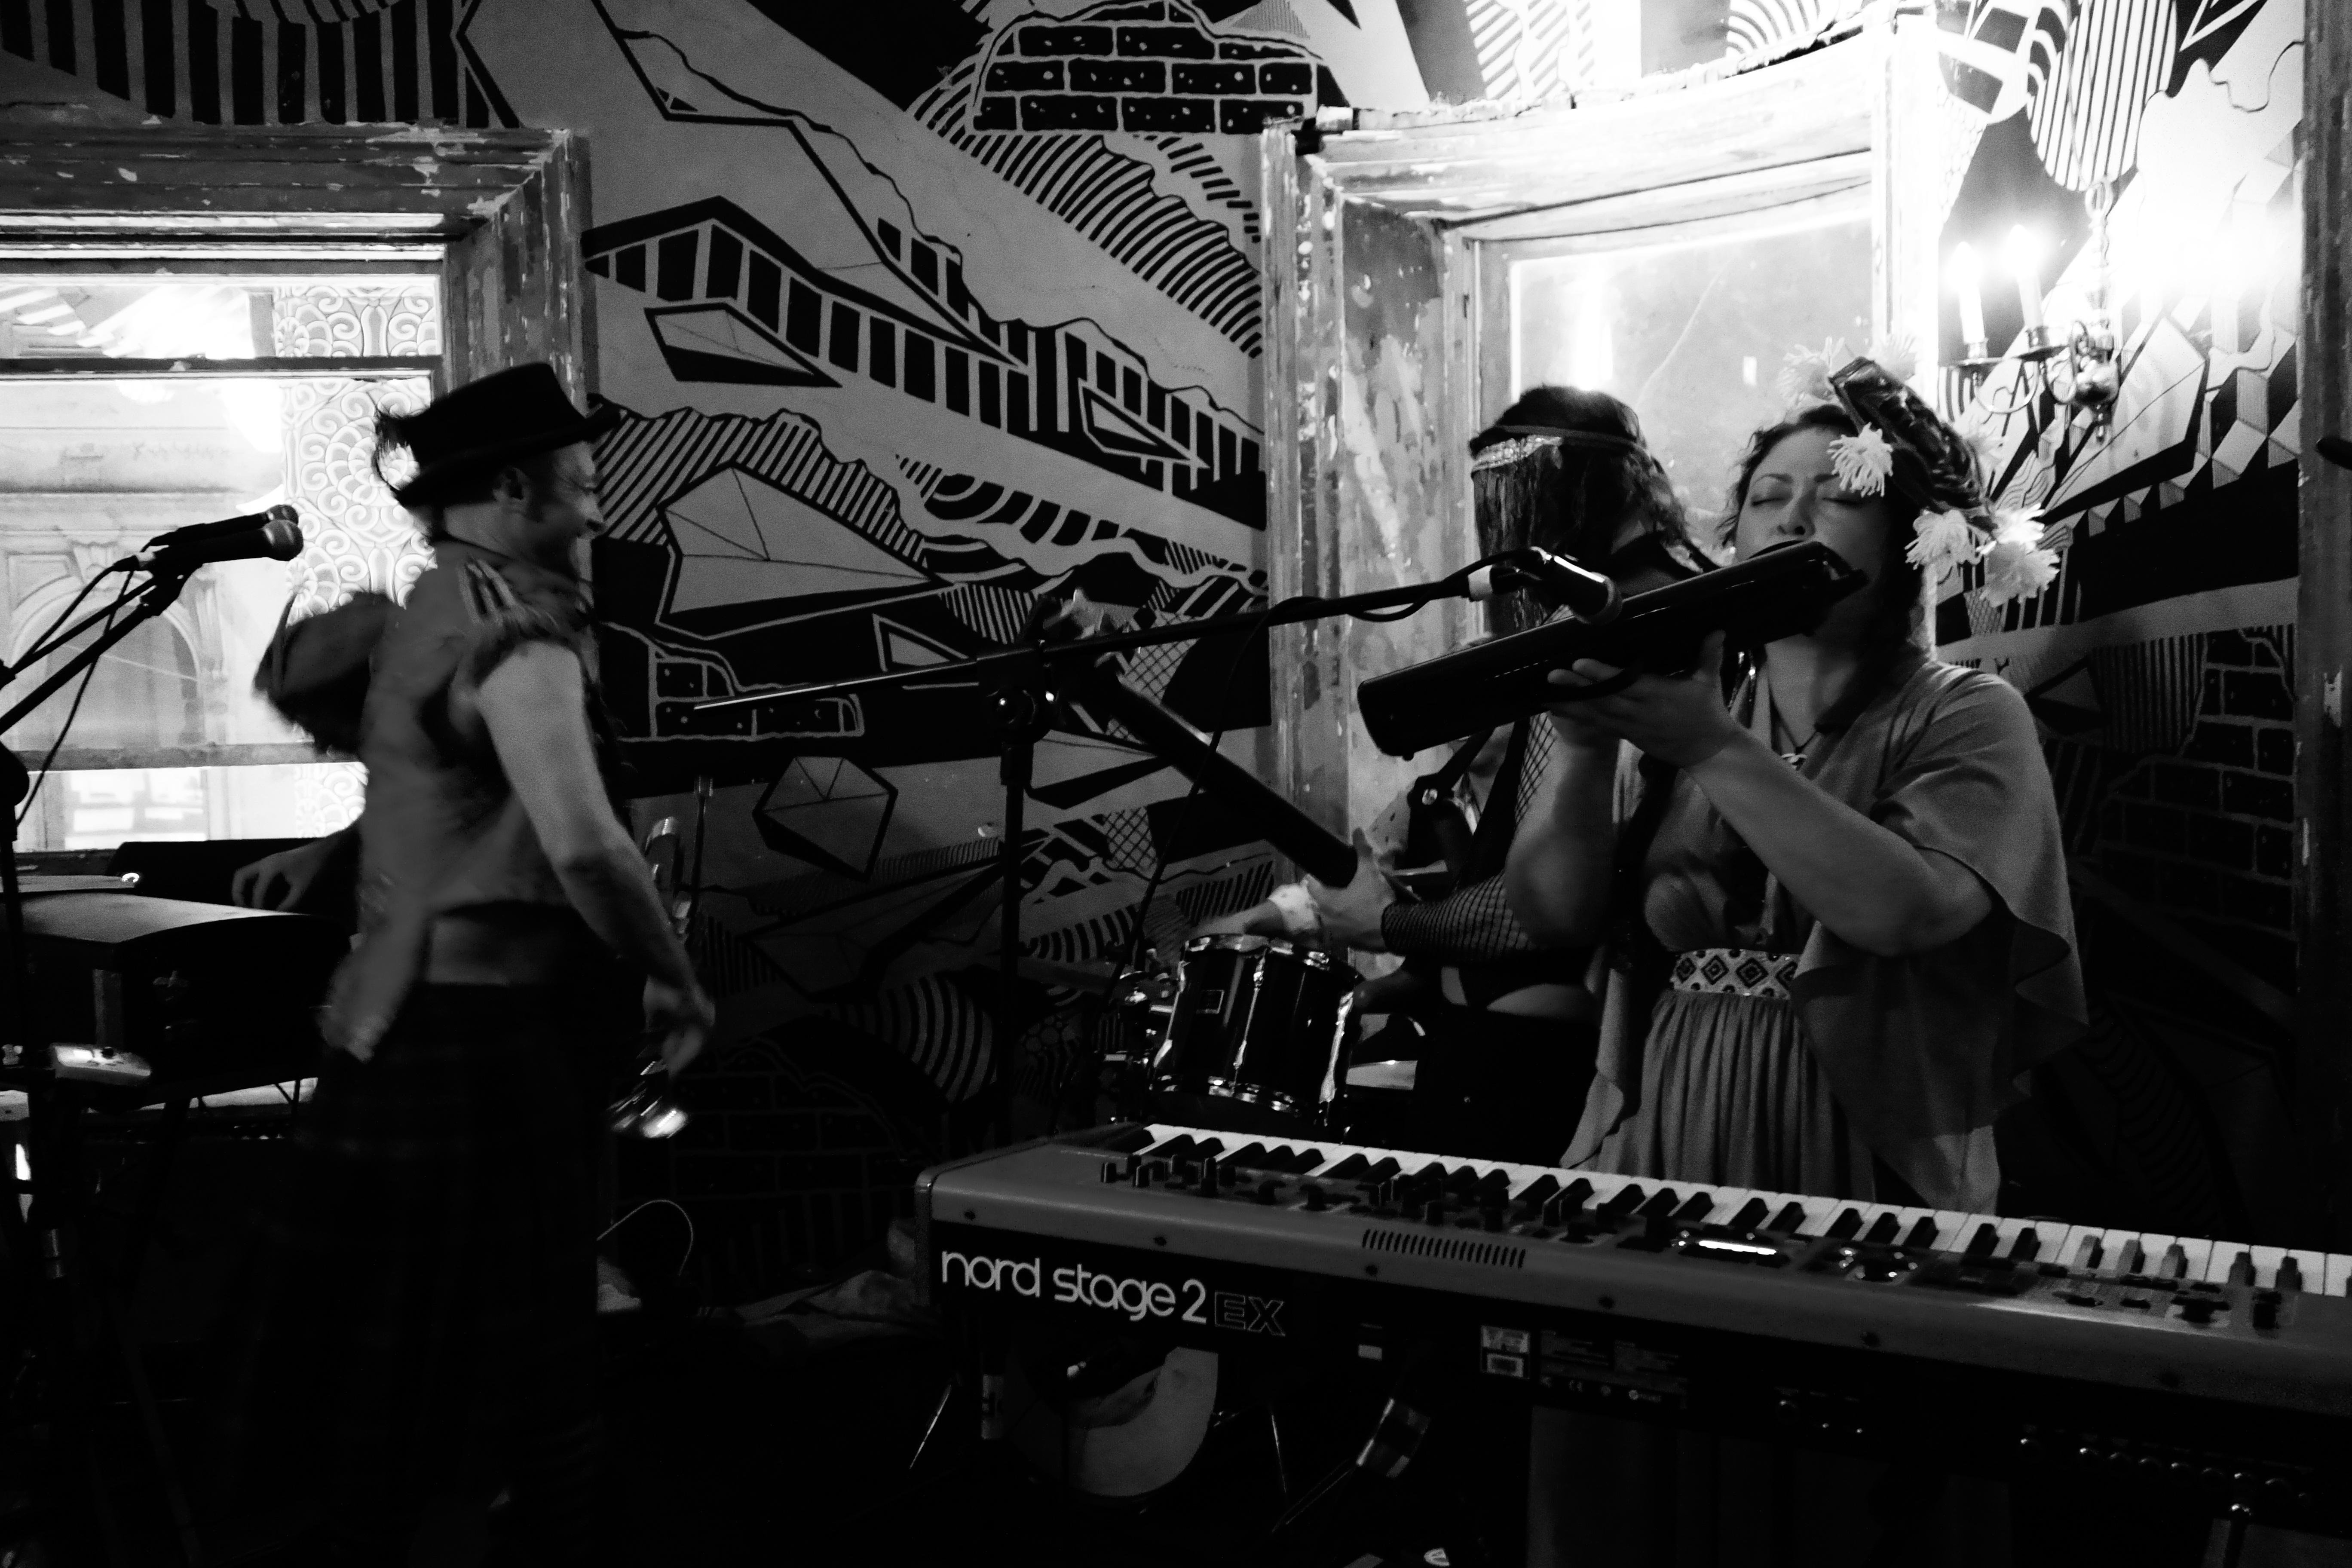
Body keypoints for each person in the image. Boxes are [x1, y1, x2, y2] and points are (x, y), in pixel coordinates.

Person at [224, 363, 714, 1565]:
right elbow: (587, 848)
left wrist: (333, 851)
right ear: (512, 487)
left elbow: (438, 788)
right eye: (580, 483)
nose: (595, 508)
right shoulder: (517, 635)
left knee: (390, 1359)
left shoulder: (432, 609)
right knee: (525, 1349)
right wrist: (674, 978)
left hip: (394, 1033)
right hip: (483, 1045)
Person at [1505, 348, 2085, 1215]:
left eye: (1840, 498)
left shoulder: (1969, 714)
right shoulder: (1692, 709)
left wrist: (1711, 748)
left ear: (1907, 538)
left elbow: (1907, 912)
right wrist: (1585, 753)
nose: (1793, 520)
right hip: (1670, 1120)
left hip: (1862, 1142)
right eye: (1767, 498)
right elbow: (1552, 916)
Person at [1204, 386, 1708, 1163]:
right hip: (1481, 1047)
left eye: (1519, 490)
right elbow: (1412, 839)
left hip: (1548, 1070)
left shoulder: (1625, 627)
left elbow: (1539, 914)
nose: (1505, 527)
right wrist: (1299, 915)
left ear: (1585, 485)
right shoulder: (1585, 628)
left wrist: (1386, 927)